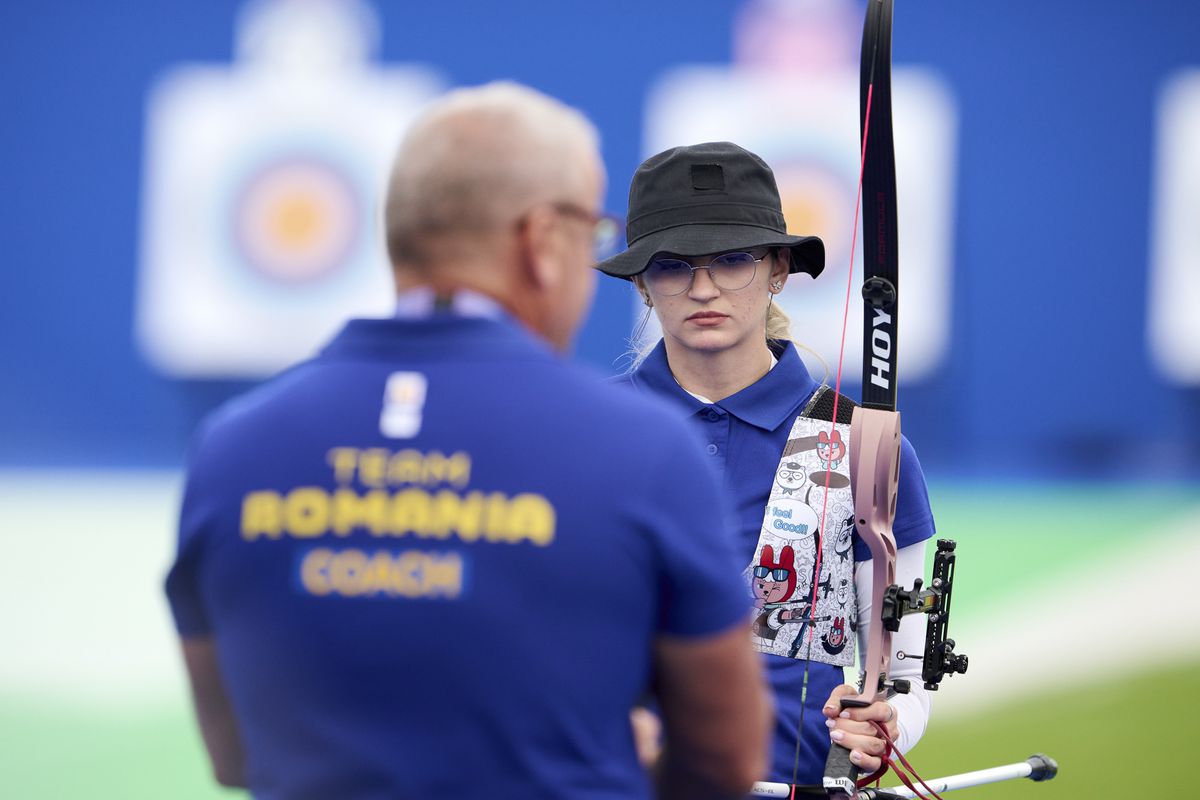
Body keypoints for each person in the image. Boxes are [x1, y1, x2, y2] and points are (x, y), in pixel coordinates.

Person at [165, 85, 771, 800]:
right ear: (543, 244)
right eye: (591, 235)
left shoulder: (232, 448)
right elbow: (723, 763)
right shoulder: (645, 450)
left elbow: (236, 757)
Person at [596, 141, 936, 787]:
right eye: (672, 265)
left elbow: (905, 672)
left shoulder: (863, 444)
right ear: (641, 282)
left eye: (732, 260)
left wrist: (887, 719)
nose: (703, 288)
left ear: (779, 268)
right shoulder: (585, 433)